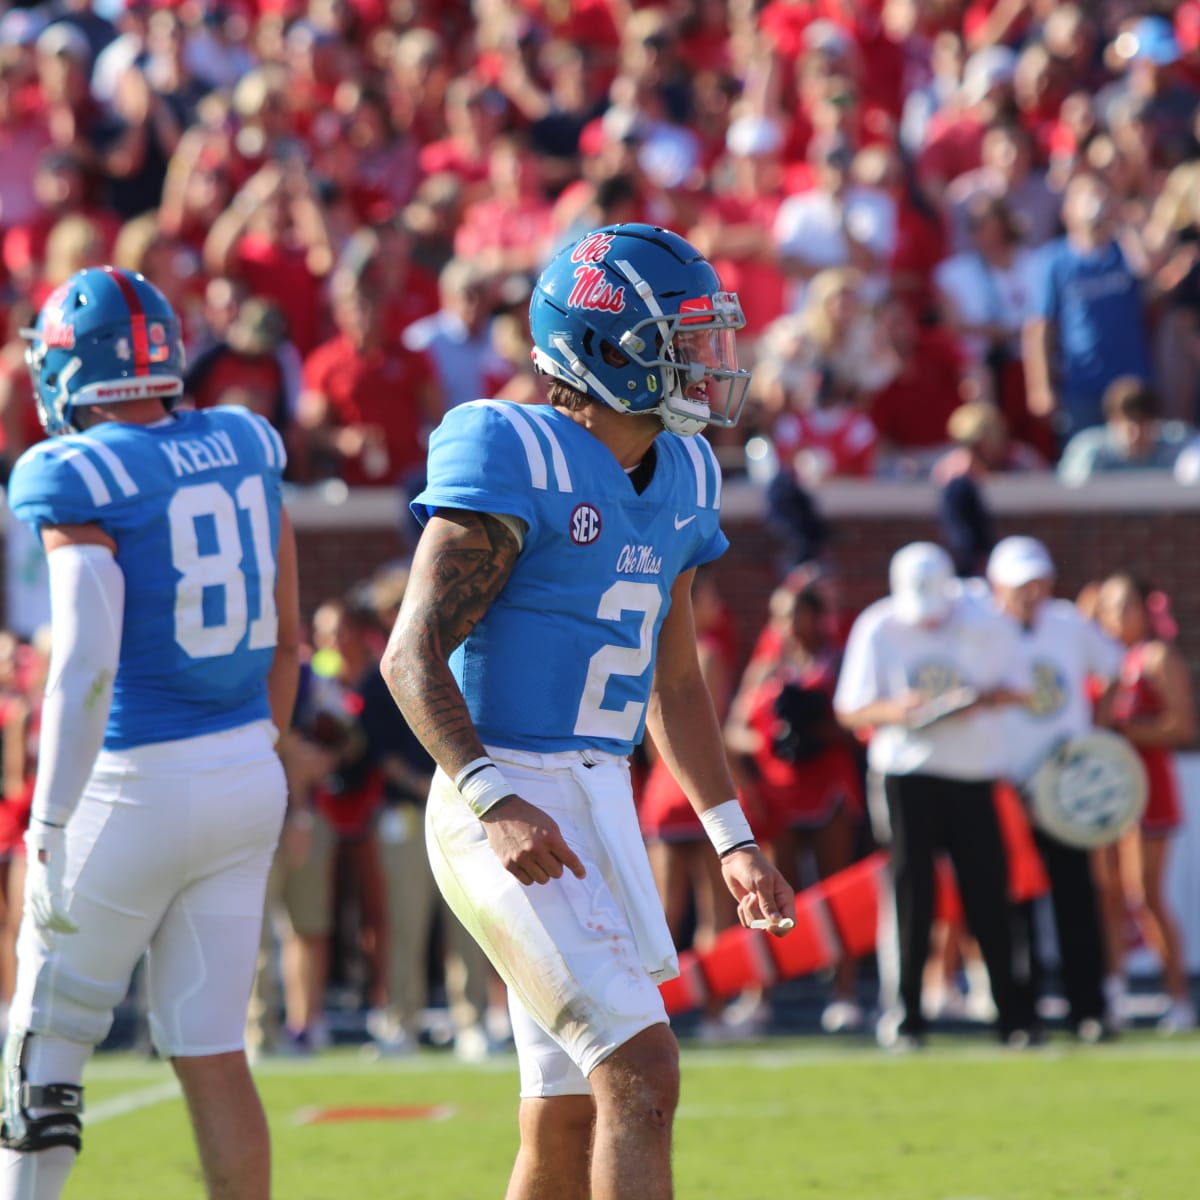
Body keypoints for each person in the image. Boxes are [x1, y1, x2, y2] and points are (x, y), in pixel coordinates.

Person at [381, 223, 795, 1200]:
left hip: (597, 793)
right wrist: (493, 798)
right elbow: (410, 653)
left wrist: (730, 836)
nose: (704, 361)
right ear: (604, 347)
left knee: (565, 1117)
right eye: (679, 340)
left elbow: (677, 682)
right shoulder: (511, 447)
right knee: (641, 1075)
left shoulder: (686, 473)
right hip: (500, 791)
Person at [0, 266, 300, 1200]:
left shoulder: (76, 468)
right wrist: (253, 751)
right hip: (247, 767)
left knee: (42, 1043)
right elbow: (290, 635)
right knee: (212, 1049)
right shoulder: (245, 440)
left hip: (133, 780)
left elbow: (85, 663)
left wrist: (46, 828)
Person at [834, 542, 1035, 1049]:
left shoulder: (986, 621)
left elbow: (1022, 688)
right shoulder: (879, 625)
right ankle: (906, 1015)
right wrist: (896, 711)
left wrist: (982, 698)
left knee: (988, 893)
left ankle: (1012, 1015)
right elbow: (851, 708)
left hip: (972, 772)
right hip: (906, 772)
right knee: (910, 895)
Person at [986, 536, 1123, 1041]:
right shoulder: (983, 628)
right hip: (1008, 788)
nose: (1031, 592)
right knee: (1013, 907)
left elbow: (1113, 670)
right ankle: (1022, 1015)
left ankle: (1087, 1008)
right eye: (1021, 584)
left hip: (1066, 786)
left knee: (1076, 900)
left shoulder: (1067, 624)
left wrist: (1098, 735)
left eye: (1038, 581)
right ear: (998, 586)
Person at [1093, 574, 1197, 1033]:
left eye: (1125, 606)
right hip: (1107, 791)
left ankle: (1178, 997)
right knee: (1110, 893)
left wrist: (1128, 733)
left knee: (1145, 894)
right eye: (1109, 608)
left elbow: (1183, 727)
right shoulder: (1102, 661)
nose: (1116, 617)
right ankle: (1113, 993)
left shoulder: (1156, 658)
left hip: (1149, 786)